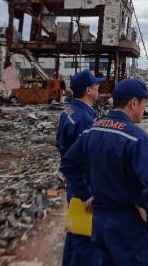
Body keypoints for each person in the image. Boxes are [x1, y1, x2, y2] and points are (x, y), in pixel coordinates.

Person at [60, 78, 148, 265]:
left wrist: (87, 195)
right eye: (144, 104)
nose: (144, 109)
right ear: (133, 103)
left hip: (98, 221)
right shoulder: (135, 138)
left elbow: (68, 165)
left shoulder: (91, 130)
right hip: (128, 225)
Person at [55, 69, 105, 266]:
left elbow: (62, 146)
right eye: (96, 84)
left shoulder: (69, 112)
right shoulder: (85, 120)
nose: (98, 86)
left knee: (76, 235)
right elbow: (82, 160)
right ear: (88, 90)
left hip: (75, 187)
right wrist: (88, 194)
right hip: (84, 190)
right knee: (87, 243)